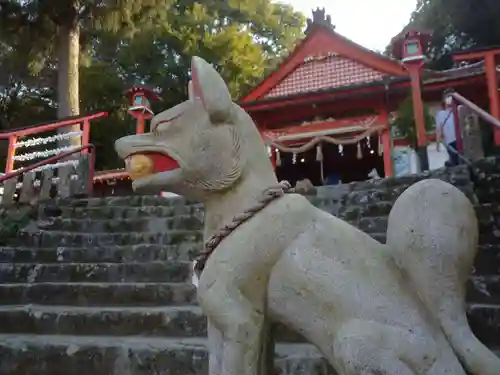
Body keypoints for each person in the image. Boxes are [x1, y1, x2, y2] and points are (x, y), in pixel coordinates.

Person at [435, 91, 460, 166]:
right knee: (455, 160)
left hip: (461, 140)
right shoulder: (441, 114)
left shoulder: (458, 110)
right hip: (450, 141)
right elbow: (439, 129)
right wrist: (438, 143)